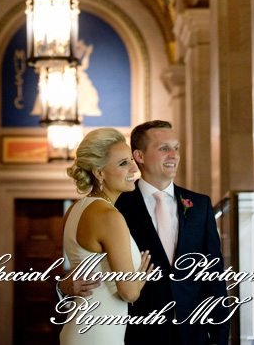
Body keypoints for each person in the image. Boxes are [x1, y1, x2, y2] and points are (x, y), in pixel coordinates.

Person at [59, 121, 230, 345]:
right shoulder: (114, 207)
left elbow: (214, 275)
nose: (174, 155)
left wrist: (219, 337)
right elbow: (84, 269)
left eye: (176, 148)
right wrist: (62, 286)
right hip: (135, 335)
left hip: (192, 335)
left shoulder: (200, 205)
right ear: (139, 155)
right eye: (163, 148)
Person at [56, 127, 152, 343]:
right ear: (99, 172)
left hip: (78, 327)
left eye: (131, 160)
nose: (134, 169)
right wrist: (140, 279)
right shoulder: (110, 216)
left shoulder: (75, 209)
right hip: (99, 334)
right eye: (123, 163)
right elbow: (129, 293)